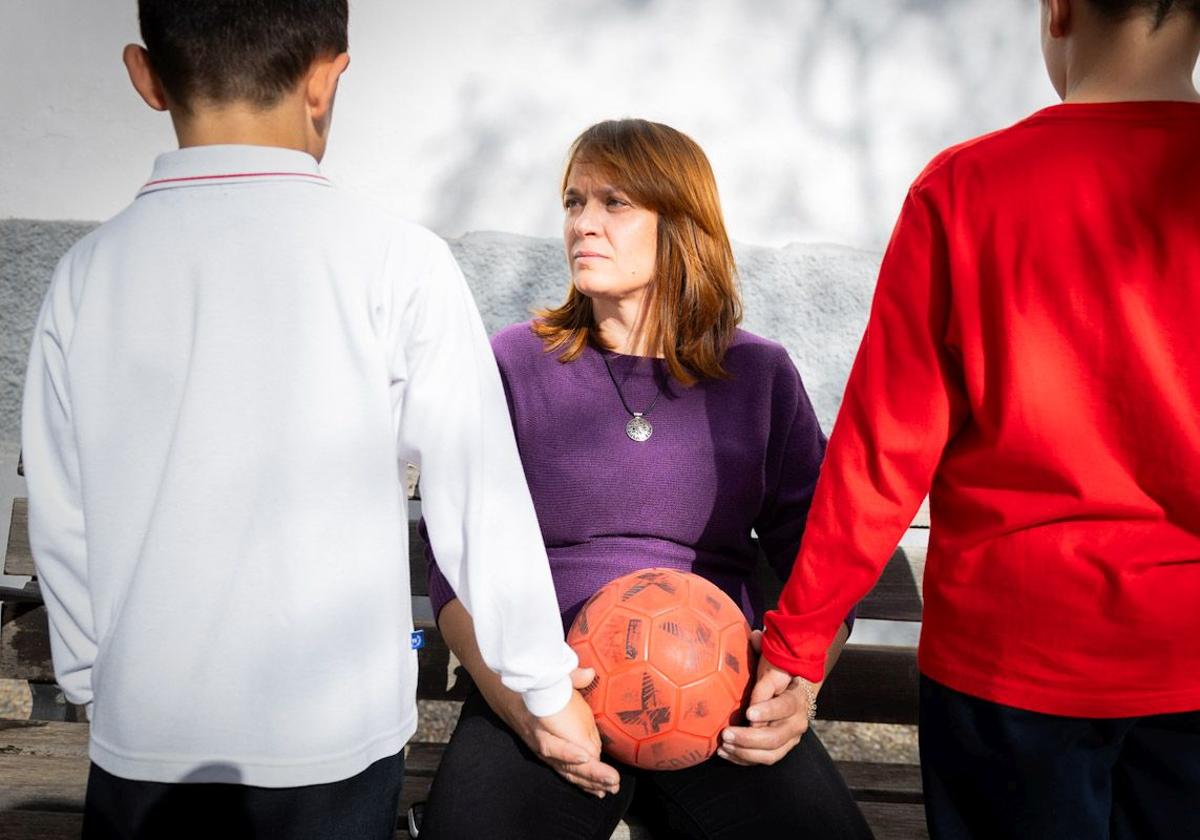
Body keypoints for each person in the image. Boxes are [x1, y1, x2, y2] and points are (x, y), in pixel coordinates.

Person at [20, 2, 599, 837]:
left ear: (144, 77)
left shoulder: (85, 275)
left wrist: (90, 679)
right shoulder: (402, 262)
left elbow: (64, 512)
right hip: (334, 742)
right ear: (327, 80)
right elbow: (478, 499)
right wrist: (546, 692)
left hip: (145, 737)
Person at [757, 1, 1200, 837]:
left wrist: (799, 642)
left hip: (1011, 673)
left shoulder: (965, 188)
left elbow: (882, 455)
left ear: (1059, 10)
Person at [417, 119, 872, 840]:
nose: (583, 225)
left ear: (682, 224)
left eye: (614, 203)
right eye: (573, 203)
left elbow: (822, 551)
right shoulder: (514, 365)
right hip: (550, 693)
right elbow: (456, 564)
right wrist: (521, 707)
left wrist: (799, 689)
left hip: (715, 704)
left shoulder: (758, 376)